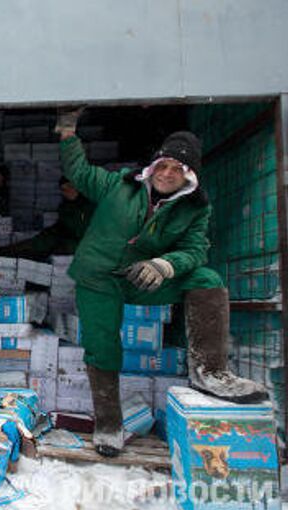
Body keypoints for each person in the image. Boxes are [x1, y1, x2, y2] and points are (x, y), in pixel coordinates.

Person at [54, 107, 267, 457]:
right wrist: (66, 130)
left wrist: (166, 265)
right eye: (163, 165)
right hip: (97, 279)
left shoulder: (195, 208)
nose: (168, 174)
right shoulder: (117, 186)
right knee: (103, 344)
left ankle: (210, 372)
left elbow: (196, 250)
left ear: (189, 176)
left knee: (206, 277)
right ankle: (108, 422)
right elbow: (77, 170)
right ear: (153, 167)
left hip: (143, 279)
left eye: (178, 169)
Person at [0, 177, 94, 260]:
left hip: (79, 243)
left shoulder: (89, 206)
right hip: (60, 237)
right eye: (64, 190)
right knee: (30, 245)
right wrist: (49, 232)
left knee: (48, 253)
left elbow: (81, 230)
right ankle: (0, 252)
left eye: (70, 187)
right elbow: (61, 225)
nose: (68, 192)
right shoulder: (65, 206)